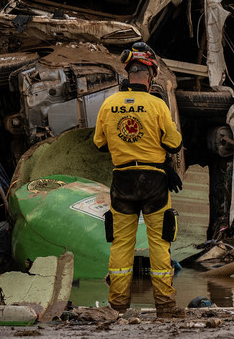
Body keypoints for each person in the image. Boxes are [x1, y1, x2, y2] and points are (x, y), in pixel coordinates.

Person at [93, 42, 185, 319]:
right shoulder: (157, 104)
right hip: (154, 180)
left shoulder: (109, 104)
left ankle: (118, 306)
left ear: (128, 73)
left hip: (122, 180)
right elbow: (174, 142)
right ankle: (165, 306)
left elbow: (99, 143)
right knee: (159, 242)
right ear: (151, 75)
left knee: (122, 244)